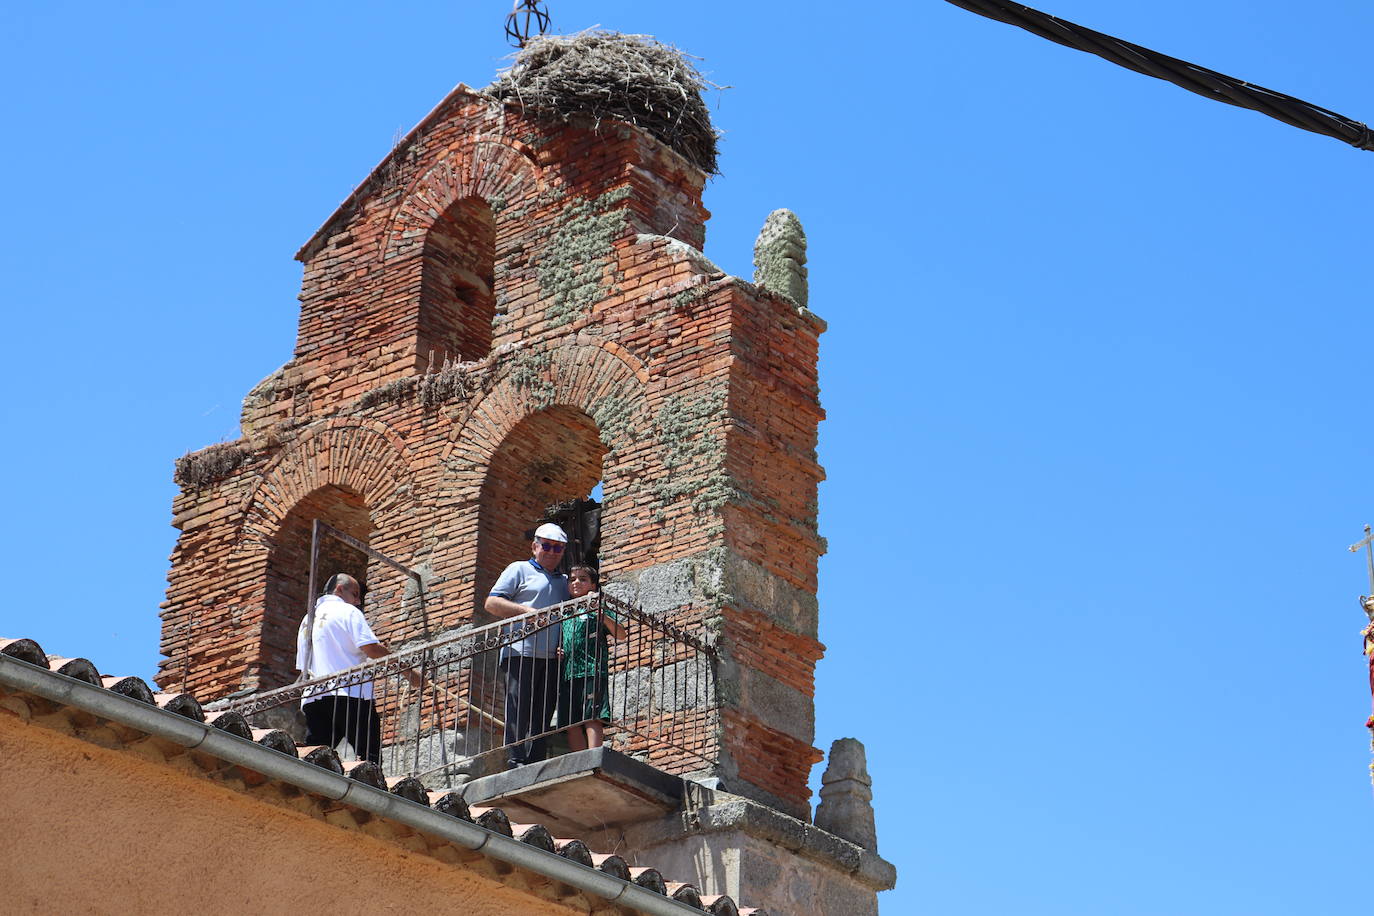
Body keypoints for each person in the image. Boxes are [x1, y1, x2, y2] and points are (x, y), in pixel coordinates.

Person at [295, 573, 405, 765]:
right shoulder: (347, 611)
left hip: (314, 698)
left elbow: (302, 666)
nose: (357, 601)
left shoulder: (307, 619)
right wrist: (407, 671)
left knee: (316, 754)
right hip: (350, 694)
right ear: (339, 589)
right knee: (369, 757)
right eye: (355, 594)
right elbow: (370, 648)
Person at [485, 522, 570, 769]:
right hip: (520, 650)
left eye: (559, 548)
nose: (553, 552)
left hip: (552, 656)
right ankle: (517, 759)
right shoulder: (519, 569)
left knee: (544, 711)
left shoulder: (564, 581)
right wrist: (525, 611)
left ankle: (536, 760)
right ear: (535, 547)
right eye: (548, 546)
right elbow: (491, 603)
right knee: (518, 706)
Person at [558, 565, 626, 751]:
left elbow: (621, 634)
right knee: (570, 722)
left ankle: (594, 756)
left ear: (593, 585)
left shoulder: (598, 606)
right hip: (567, 673)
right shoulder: (564, 611)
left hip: (591, 669)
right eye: (572, 579)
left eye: (583, 579)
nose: (576, 582)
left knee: (592, 716)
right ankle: (579, 760)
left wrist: (599, 612)